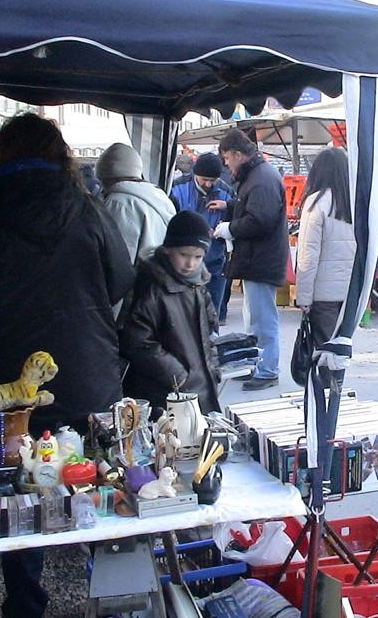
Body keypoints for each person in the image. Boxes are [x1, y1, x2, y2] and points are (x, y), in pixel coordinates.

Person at [0, 112, 135, 618]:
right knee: (101, 475)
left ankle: (25, 610)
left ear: (1, 156)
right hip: (88, 364)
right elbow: (120, 278)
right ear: (62, 157)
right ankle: (114, 603)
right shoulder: (91, 210)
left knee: (16, 488)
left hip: (8, 375)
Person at [121, 211, 221, 418]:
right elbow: (137, 342)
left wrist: (214, 368)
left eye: (198, 257)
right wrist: (178, 376)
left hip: (199, 385)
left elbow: (209, 332)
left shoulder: (199, 286)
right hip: (164, 391)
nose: (190, 264)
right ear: (168, 250)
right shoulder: (152, 289)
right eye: (184, 255)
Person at [215, 129, 288, 391]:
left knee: (262, 319)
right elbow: (255, 208)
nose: (226, 163)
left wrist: (230, 229)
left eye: (226, 158)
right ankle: (258, 364)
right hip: (258, 259)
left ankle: (267, 369)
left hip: (261, 260)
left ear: (237, 154)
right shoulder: (258, 176)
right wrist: (231, 208)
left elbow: (261, 219)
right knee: (256, 317)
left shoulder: (261, 179)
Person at [295, 148, 357, 353]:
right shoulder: (358, 203)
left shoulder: (316, 203)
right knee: (342, 349)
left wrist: (303, 297)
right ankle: (338, 383)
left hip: (323, 294)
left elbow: (308, 255)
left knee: (324, 351)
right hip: (351, 292)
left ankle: (327, 385)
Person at [169, 151, 234, 320]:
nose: (207, 184)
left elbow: (236, 221)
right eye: (204, 179)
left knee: (212, 315)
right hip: (183, 263)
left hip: (215, 260)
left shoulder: (226, 192)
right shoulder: (177, 188)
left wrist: (225, 214)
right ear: (195, 173)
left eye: (212, 180)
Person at [96, 142, 178, 266]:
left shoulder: (118, 203)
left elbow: (118, 257)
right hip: (157, 278)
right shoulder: (159, 196)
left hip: (134, 281)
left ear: (106, 174)